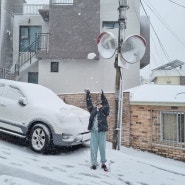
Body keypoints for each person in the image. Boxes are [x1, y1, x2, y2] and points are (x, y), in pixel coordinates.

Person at [85, 89, 110, 171]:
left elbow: (107, 105)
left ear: (101, 104)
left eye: (100, 104)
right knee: (93, 148)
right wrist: (88, 95)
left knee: (102, 148)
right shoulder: (93, 111)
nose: (98, 105)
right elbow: (89, 104)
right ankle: (94, 163)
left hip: (101, 132)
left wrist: (102, 95)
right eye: (97, 104)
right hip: (94, 132)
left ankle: (103, 163)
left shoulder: (104, 111)